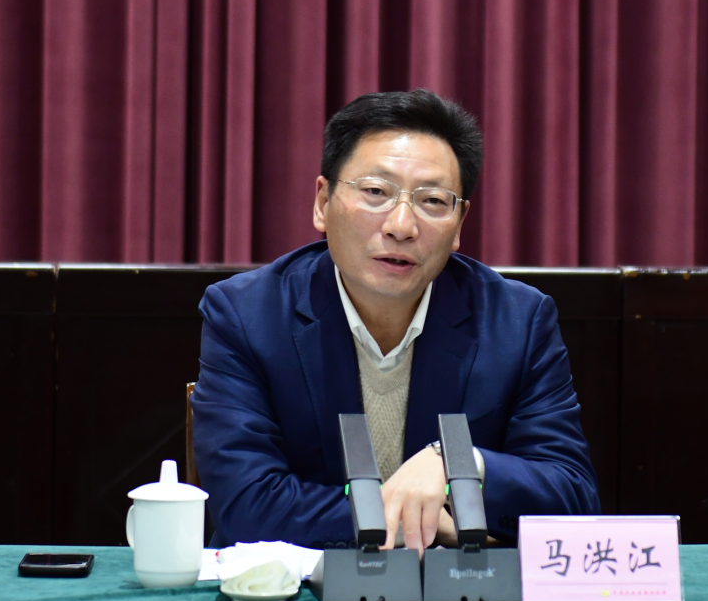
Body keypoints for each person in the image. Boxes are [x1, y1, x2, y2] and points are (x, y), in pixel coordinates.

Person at [191, 89, 600, 552]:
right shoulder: (247, 315)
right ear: (323, 202)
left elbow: (573, 497)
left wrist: (460, 463)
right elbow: (247, 507)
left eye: (433, 201)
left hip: (456, 594)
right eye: (375, 193)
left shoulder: (517, 322)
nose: (401, 225)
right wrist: (414, 523)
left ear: (459, 222)